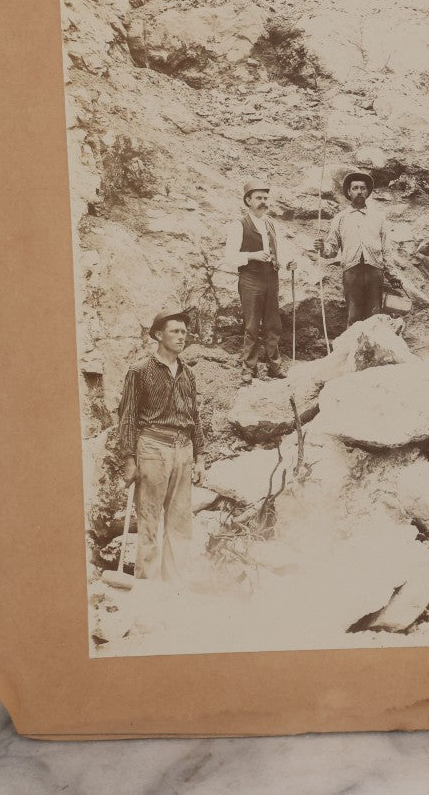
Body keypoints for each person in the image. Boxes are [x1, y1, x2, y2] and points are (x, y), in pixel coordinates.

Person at [113, 309, 208, 583]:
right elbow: (128, 416)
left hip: (184, 449)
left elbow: (195, 416)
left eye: (184, 332)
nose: (182, 336)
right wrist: (129, 459)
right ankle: (148, 588)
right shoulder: (139, 371)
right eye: (175, 331)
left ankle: (174, 588)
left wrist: (200, 457)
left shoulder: (188, 374)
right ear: (158, 335)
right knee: (149, 521)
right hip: (152, 447)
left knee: (180, 522)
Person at [223, 179, 296, 385]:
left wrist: (288, 262)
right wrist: (253, 255)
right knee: (252, 326)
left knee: (273, 324)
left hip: (271, 279)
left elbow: (278, 250)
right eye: (258, 198)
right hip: (251, 279)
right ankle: (249, 369)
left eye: (265, 198)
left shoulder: (270, 223)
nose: (263, 202)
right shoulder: (239, 225)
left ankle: (275, 367)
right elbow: (229, 256)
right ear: (248, 200)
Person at [316, 170, 389, 329]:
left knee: (375, 318)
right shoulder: (340, 218)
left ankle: (374, 352)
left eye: (363, 188)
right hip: (351, 272)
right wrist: (323, 248)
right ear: (349, 192)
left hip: (375, 272)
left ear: (368, 192)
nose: (359, 191)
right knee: (354, 316)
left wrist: (392, 273)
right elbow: (332, 249)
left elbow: (386, 248)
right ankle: (352, 351)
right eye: (355, 188)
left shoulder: (378, 217)